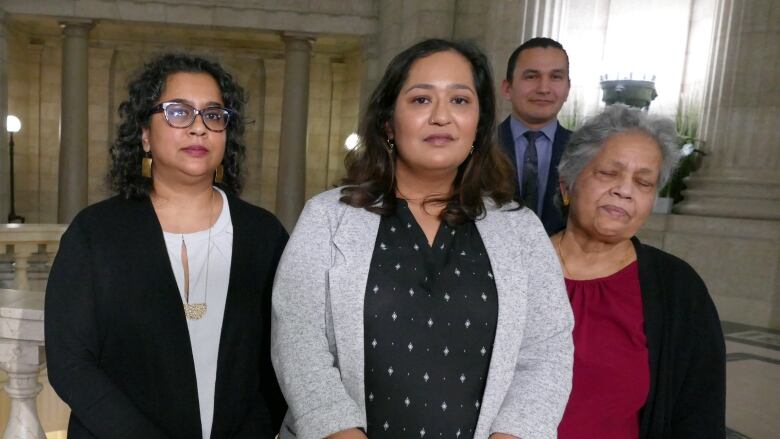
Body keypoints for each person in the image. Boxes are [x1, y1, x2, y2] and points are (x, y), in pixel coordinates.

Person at [271, 39, 573, 439]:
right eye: (420, 100)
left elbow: (546, 353)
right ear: (388, 123)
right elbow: (299, 343)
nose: (442, 117)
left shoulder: (521, 230)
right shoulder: (328, 218)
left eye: (460, 101)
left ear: (479, 125)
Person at [45, 53, 287, 438]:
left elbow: (282, 361)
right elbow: (71, 363)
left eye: (213, 114)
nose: (198, 128)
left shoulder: (264, 235)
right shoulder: (96, 232)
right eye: (178, 112)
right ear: (144, 134)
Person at [552, 104, 726, 438]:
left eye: (644, 182)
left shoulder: (678, 290)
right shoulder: (515, 268)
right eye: (608, 173)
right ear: (566, 185)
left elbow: (699, 417)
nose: (625, 190)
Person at [499, 37, 571, 235]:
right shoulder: (475, 147)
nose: (543, 88)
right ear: (507, 88)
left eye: (556, 77)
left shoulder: (585, 151)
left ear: (567, 89)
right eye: (531, 76)